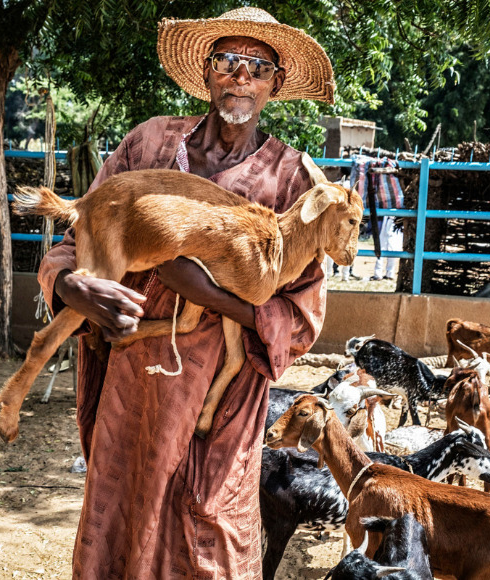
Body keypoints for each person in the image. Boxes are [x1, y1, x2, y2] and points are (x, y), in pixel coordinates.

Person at [38, 7, 334, 578]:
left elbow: (301, 317)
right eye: (227, 60)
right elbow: (80, 238)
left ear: (274, 84)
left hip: (217, 403)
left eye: (258, 65)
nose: (241, 75)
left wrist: (209, 293)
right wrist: (74, 287)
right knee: (117, 527)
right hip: (131, 385)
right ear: (206, 73)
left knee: (209, 536)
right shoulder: (148, 144)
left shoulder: (293, 180)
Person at [370, 216, 403, 281]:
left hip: (396, 220)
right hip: (385, 219)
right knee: (381, 248)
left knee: (393, 248)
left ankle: (390, 274)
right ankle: (378, 274)